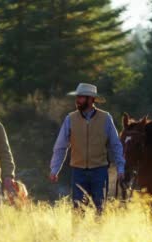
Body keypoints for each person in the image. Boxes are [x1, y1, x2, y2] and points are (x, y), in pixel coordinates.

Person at [49, 83, 125, 213]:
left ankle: (98, 233)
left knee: (100, 210)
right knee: (78, 211)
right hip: (78, 172)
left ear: (92, 99)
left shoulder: (106, 118)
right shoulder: (70, 119)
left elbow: (116, 145)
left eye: (82, 97)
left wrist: (121, 167)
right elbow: (60, 147)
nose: (78, 100)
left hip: (99, 171)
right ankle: (78, 234)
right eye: (77, 97)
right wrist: (55, 169)